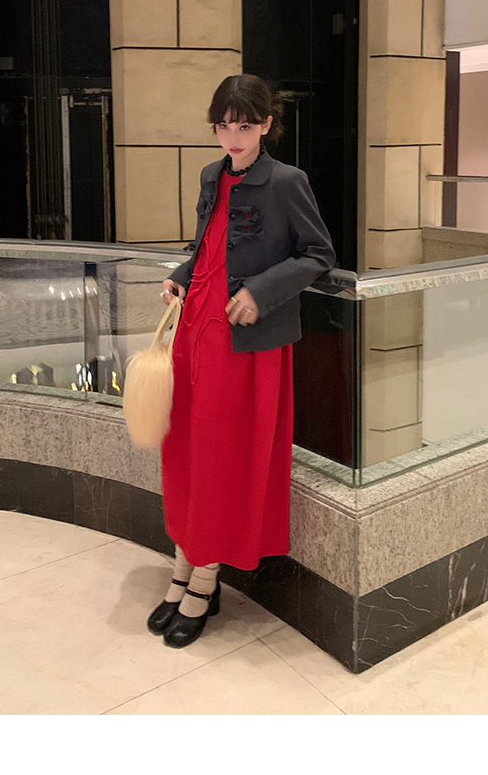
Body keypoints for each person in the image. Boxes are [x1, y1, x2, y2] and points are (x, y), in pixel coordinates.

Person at [148, 74, 335, 648]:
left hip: (243, 342)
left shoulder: (286, 181)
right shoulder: (212, 175)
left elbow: (319, 254)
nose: (234, 136)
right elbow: (206, 247)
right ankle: (184, 564)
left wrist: (259, 291)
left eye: (245, 125)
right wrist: (180, 277)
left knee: (219, 454)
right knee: (185, 448)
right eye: (224, 126)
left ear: (267, 125)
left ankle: (204, 580)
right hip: (195, 331)